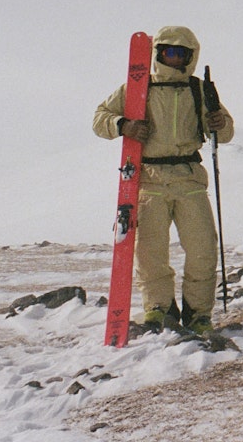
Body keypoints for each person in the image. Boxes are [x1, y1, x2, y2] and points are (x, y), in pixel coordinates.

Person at [93, 25, 233, 333]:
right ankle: (159, 309)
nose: (174, 58)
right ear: (158, 54)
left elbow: (226, 132)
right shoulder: (137, 87)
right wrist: (123, 125)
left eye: (181, 53)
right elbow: (99, 118)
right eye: (169, 52)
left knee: (202, 250)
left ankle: (198, 314)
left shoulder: (200, 89)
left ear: (190, 57)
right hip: (149, 180)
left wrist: (219, 122)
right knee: (150, 252)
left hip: (189, 179)